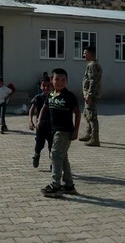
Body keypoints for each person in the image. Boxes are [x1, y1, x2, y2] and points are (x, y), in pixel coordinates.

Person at [39, 68, 81, 198]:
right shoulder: (51, 95)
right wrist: (39, 120)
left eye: (63, 80)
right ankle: (69, 185)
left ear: (67, 81)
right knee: (62, 157)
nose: (60, 82)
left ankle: (55, 185)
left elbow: (78, 113)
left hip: (65, 130)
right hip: (55, 130)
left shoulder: (69, 96)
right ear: (52, 80)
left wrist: (76, 131)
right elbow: (44, 108)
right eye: (57, 79)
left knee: (55, 155)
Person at [79, 46, 102, 147]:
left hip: (91, 95)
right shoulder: (93, 64)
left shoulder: (92, 65)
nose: (84, 55)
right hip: (89, 94)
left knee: (92, 117)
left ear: (91, 54)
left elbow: (93, 81)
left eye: (85, 53)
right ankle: (89, 134)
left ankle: (95, 138)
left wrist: (89, 95)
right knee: (87, 114)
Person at [28, 77, 53, 169]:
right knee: (39, 144)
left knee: (52, 145)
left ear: (52, 86)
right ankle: (36, 155)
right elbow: (32, 110)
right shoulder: (38, 97)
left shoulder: (55, 98)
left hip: (51, 126)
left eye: (48, 86)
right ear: (40, 86)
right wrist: (31, 121)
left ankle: (53, 163)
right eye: (44, 86)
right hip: (40, 125)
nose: (46, 88)